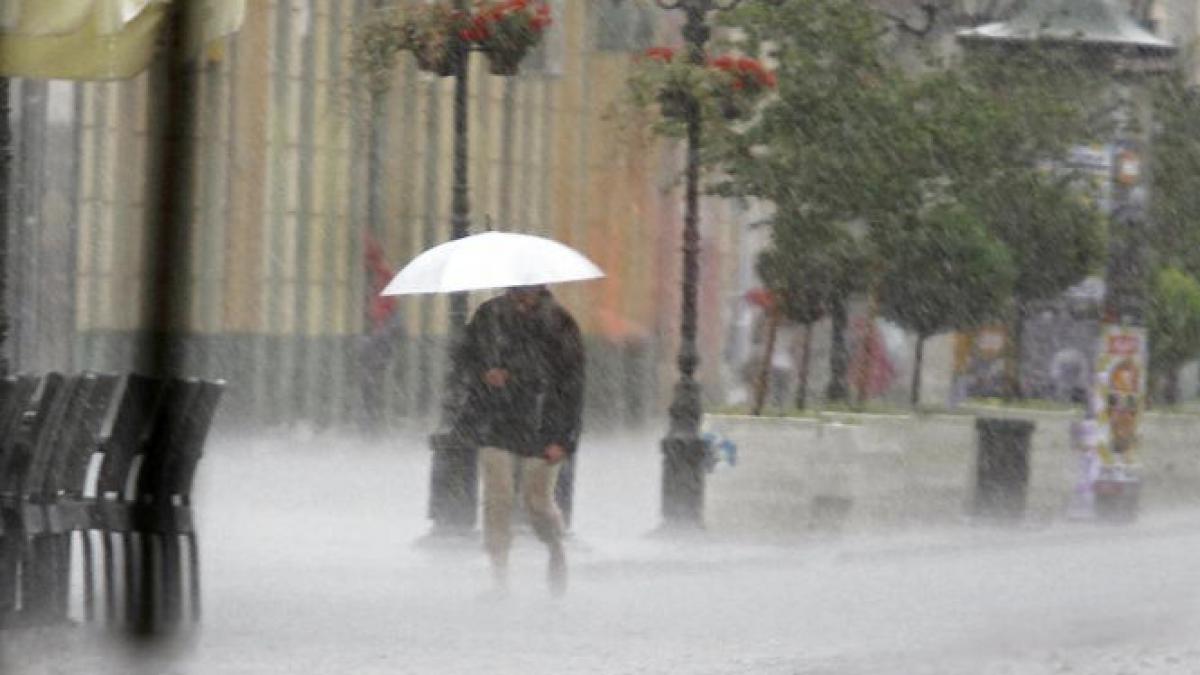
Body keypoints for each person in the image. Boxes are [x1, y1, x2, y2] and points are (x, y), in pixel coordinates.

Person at [450, 285, 585, 596]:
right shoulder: (489, 316)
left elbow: (573, 384)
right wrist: (486, 372)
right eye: (516, 290)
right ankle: (499, 575)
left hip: (543, 424)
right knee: (498, 498)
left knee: (536, 502)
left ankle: (554, 546)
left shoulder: (560, 323)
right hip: (497, 422)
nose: (520, 296)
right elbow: (464, 360)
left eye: (527, 290)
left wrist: (564, 438)